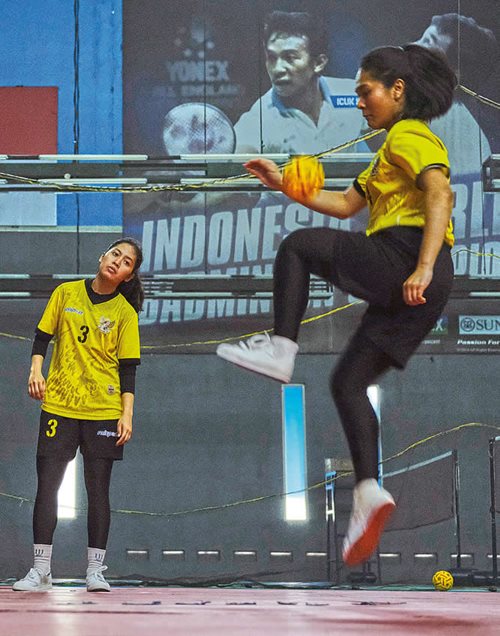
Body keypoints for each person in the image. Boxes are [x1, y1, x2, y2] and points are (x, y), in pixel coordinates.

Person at [217, 44, 457, 566]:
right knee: (347, 382)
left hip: (407, 257)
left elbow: (439, 193)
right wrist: (283, 183)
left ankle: (281, 349)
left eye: (367, 92)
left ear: (398, 91)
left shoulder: (410, 135)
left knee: (298, 247)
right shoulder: (385, 152)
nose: (361, 102)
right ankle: (369, 489)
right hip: (418, 282)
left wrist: (423, 264)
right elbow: (345, 203)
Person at [12, 238, 144, 592]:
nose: (118, 261)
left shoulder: (125, 314)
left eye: (127, 262)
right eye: (115, 254)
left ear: (129, 276)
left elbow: (128, 370)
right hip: (59, 406)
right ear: (102, 256)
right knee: (48, 487)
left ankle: (95, 571)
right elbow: (41, 338)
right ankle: (41, 570)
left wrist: (126, 415)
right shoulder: (66, 293)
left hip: (103, 410)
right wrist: (35, 371)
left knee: (98, 491)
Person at [234, 10, 367, 154]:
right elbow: (238, 159)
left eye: (290, 57)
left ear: (318, 63)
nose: (277, 69)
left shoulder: (353, 95)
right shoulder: (258, 118)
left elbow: (389, 151)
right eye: (271, 58)